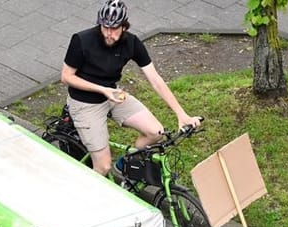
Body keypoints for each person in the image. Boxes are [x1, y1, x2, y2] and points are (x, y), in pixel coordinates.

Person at [60, 0, 201, 176]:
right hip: (84, 103)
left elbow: (155, 79)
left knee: (155, 132)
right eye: (105, 27)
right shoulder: (82, 40)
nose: (109, 34)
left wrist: (181, 114)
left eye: (114, 28)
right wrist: (102, 90)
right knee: (103, 167)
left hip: (113, 96)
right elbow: (66, 77)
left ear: (124, 27)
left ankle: (125, 163)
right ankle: (88, 198)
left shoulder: (132, 43)